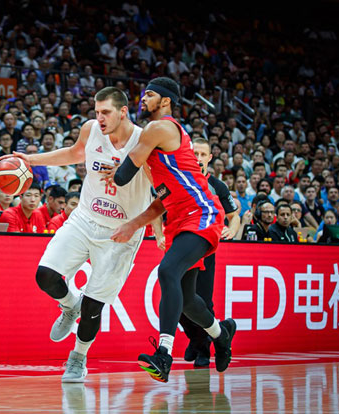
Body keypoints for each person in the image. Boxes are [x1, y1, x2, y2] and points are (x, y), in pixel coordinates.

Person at [3, 87, 158, 383]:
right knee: (45, 275)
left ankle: (78, 358)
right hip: (85, 218)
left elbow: (159, 192)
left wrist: (147, 228)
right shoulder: (91, 129)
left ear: (123, 112)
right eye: (97, 112)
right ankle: (68, 304)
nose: (100, 118)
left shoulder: (144, 141)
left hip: (121, 231)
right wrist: (31, 160)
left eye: (106, 112)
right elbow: (74, 153)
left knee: (93, 307)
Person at [104, 77, 235, 382]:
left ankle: (164, 354)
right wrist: (132, 224)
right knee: (188, 301)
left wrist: (115, 158)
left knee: (167, 271)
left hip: (201, 212)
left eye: (149, 94)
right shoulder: (156, 154)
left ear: (165, 101)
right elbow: (161, 202)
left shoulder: (159, 127)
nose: (142, 98)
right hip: (179, 219)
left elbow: (122, 177)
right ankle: (222, 334)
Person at [179, 137, 241, 368]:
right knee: (176, 303)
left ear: (210, 158)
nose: (198, 158)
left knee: (202, 301)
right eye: (194, 153)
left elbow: (234, 215)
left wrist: (231, 229)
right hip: (180, 247)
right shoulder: (179, 179)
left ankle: (203, 348)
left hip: (205, 249)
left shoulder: (217, 186)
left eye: (203, 154)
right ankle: (200, 338)